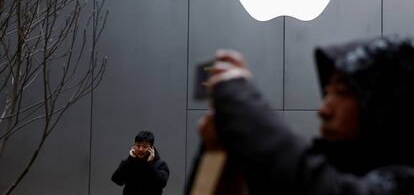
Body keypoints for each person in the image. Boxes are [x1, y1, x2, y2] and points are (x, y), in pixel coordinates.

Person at [199, 35, 414, 194]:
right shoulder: (341, 167)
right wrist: (221, 153)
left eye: (343, 92)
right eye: (327, 93)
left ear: (384, 104)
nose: (323, 110)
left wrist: (237, 95)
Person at [112, 131, 169, 195]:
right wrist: (129, 159)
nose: (140, 149)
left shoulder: (160, 164)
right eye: (138, 146)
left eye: (145, 146)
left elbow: (162, 183)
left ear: (151, 148)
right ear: (134, 146)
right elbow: (117, 180)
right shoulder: (129, 163)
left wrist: (149, 164)